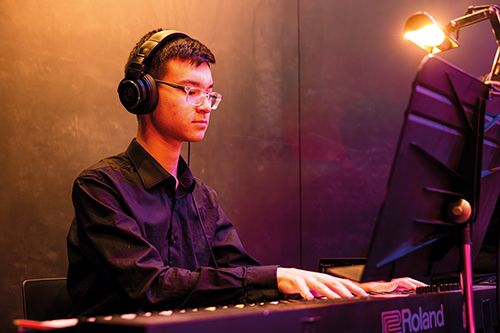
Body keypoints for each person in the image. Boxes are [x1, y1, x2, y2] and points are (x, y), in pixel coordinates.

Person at [66, 28, 425, 317]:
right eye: (190, 91)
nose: (205, 106)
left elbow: (245, 277)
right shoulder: (100, 187)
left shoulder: (201, 197)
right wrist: (278, 278)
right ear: (141, 94)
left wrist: (355, 288)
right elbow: (151, 286)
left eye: (210, 94)